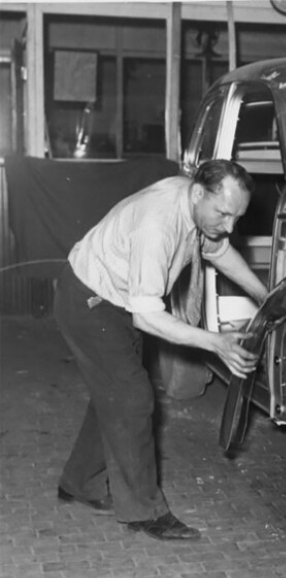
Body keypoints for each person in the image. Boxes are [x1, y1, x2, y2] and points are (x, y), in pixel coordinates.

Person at [54, 159, 268, 541]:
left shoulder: (197, 206)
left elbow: (218, 251)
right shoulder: (159, 224)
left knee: (116, 393)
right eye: (224, 214)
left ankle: (80, 482)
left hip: (114, 300)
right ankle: (145, 512)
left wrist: (264, 296)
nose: (230, 227)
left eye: (237, 217)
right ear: (199, 193)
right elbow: (148, 317)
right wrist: (216, 342)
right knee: (132, 396)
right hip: (90, 301)